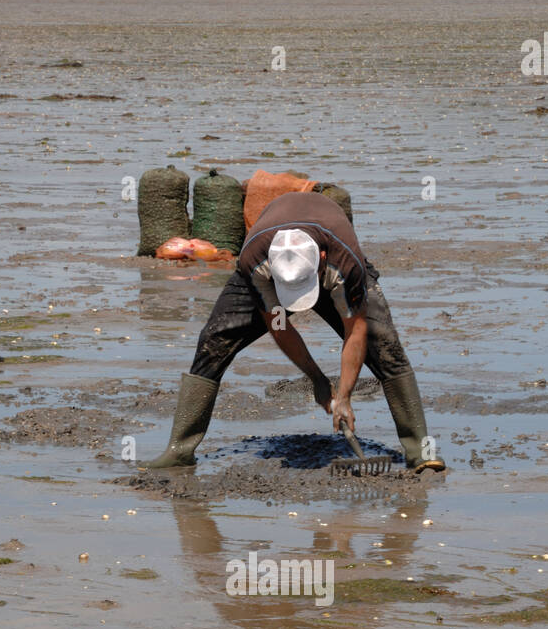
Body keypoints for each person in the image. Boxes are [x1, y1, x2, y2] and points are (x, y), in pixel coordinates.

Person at [147, 191, 445, 472]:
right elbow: (278, 324)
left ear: (322, 261)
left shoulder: (345, 263)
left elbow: (356, 332)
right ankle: (179, 450)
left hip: (335, 261)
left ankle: (419, 450)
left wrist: (343, 397)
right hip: (266, 272)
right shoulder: (255, 261)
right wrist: (316, 379)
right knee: (214, 341)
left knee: (386, 347)